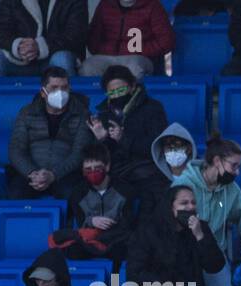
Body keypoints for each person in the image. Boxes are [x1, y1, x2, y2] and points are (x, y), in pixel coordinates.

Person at [126, 185, 227, 286]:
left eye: (193, 203)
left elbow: (215, 265)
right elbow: (135, 272)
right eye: (184, 203)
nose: (190, 207)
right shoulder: (148, 231)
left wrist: (200, 236)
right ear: (170, 207)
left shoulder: (200, 228)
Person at [173, 136, 241, 286]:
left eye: (239, 167)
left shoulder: (233, 191)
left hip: (214, 255)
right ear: (216, 161)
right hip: (185, 255)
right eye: (234, 166)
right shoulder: (183, 184)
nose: (237, 172)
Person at [88, 66, 170, 212]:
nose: (117, 95)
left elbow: (158, 146)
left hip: (147, 169)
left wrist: (123, 139)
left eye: (121, 90)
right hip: (118, 172)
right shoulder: (104, 114)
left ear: (132, 87)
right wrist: (103, 139)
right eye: (112, 92)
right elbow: (104, 157)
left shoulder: (153, 108)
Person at [8, 67, 94, 200]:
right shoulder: (27, 112)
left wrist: (53, 175)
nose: (60, 92)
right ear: (43, 92)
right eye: (54, 88)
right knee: (15, 194)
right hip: (31, 174)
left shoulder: (83, 114)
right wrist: (31, 172)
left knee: (73, 195)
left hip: (66, 174)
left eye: (64, 87)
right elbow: (16, 149)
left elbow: (80, 152)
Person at [59, 142, 135, 262]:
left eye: (97, 168)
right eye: (88, 169)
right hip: (90, 240)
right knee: (72, 251)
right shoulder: (78, 193)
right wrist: (92, 220)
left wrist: (111, 223)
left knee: (125, 247)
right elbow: (80, 222)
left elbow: (128, 223)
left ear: (107, 166)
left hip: (116, 240)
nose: (93, 172)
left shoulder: (125, 190)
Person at [0, 0, 88, 77]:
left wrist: (40, 47)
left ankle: (72, 104)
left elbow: (76, 35)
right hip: (21, 60)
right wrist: (19, 46)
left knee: (61, 60)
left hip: (55, 57)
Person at [82, 0, 175, 78]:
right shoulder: (105, 5)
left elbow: (166, 41)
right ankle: (98, 100)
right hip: (108, 56)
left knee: (134, 66)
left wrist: (139, 50)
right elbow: (93, 38)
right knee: (88, 67)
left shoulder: (152, 5)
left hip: (139, 57)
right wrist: (106, 49)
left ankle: (135, 99)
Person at [150, 122, 197, 202]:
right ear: (162, 150)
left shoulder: (200, 178)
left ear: (189, 149)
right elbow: (147, 212)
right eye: (168, 146)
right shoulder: (154, 181)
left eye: (177, 145)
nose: (172, 150)